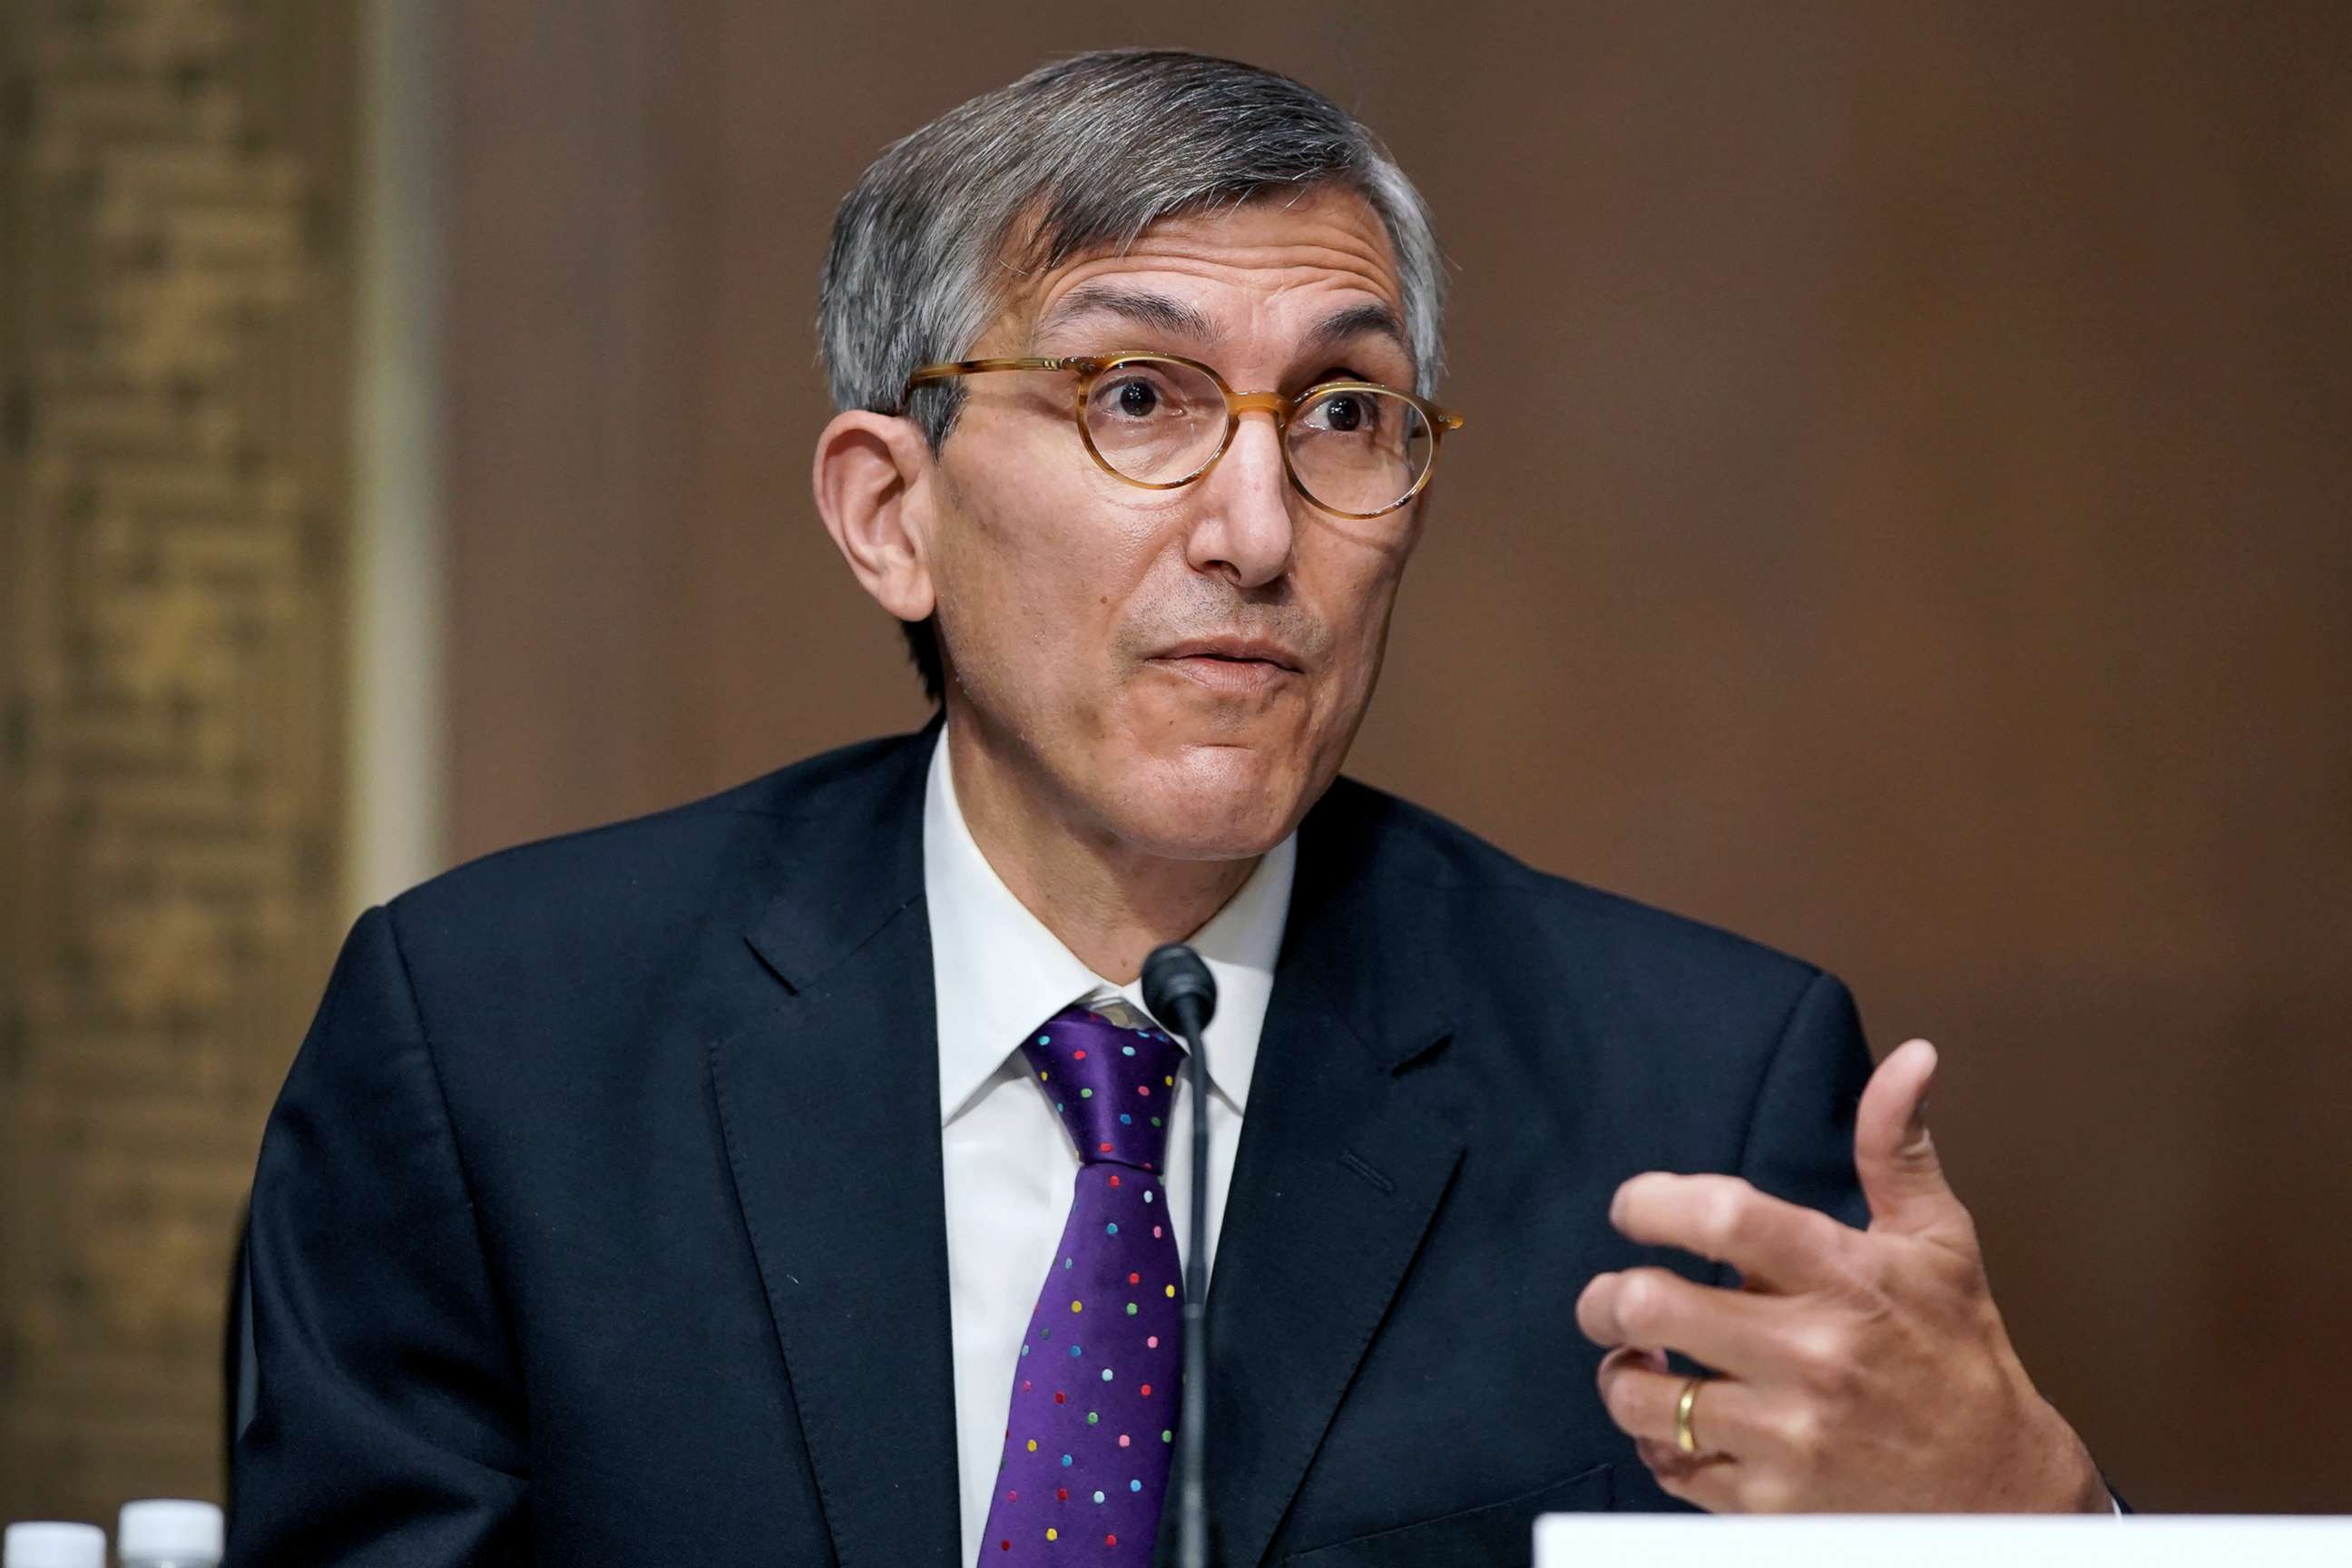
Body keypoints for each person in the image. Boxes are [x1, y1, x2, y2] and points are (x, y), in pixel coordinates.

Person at [228, 48, 2109, 1568]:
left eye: (1347, 416)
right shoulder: (495, 1045)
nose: (1259, 527)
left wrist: (2033, 1523)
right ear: (893, 510)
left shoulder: (1689, 1091)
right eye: (1139, 396)